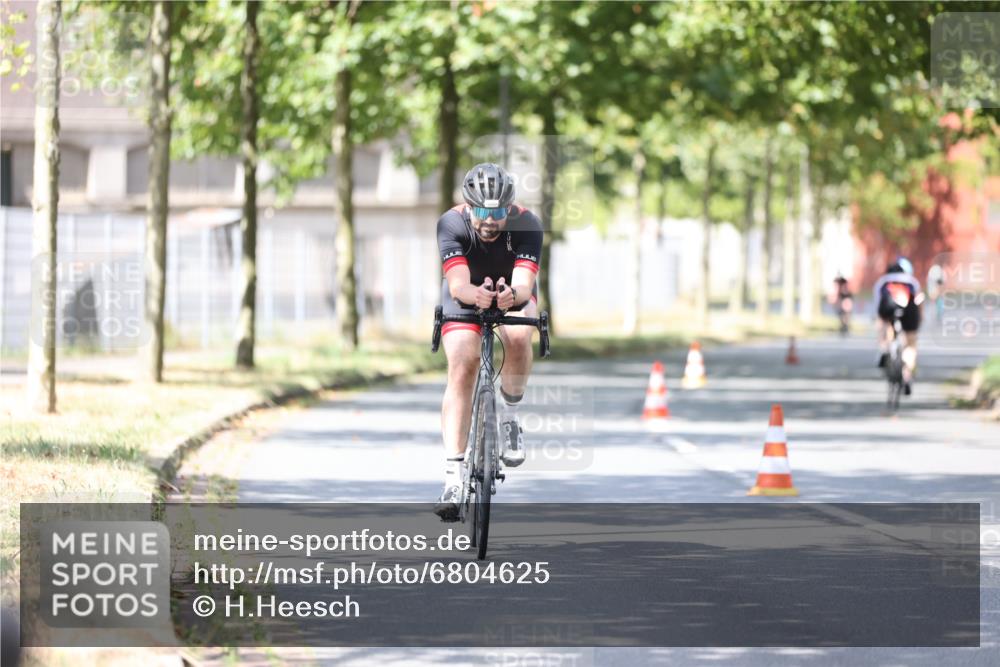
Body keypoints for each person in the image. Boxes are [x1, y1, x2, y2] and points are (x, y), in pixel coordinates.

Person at [433, 163, 543, 521]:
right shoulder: (451, 223)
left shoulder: (527, 224)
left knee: (517, 332)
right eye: (481, 211)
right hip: (465, 292)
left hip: (513, 291)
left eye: (497, 212)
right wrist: (473, 295)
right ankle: (453, 475)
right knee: (463, 364)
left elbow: (525, 283)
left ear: (509, 208)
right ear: (468, 207)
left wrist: (513, 295)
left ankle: (509, 418)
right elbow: (457, 284)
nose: (489, 220)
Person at [873, 257, 923, 395]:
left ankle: (884, 349)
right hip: (910, 312)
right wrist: (919, 320)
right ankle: (906, 373)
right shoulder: (912, 282)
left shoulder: (883, 282)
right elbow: (919, 301)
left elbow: (877, 306)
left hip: (888, 310)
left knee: (885, 326)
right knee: (910, 344)